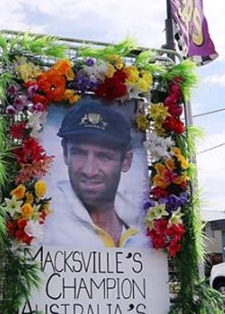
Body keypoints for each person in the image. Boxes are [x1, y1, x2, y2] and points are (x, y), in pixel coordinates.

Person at [42, 101, 150, 248]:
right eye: (79, 153)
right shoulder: (43, 225)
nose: (89, 171)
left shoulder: (145, 223)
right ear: (65, 153)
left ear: (126, 160)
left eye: (104, 156)